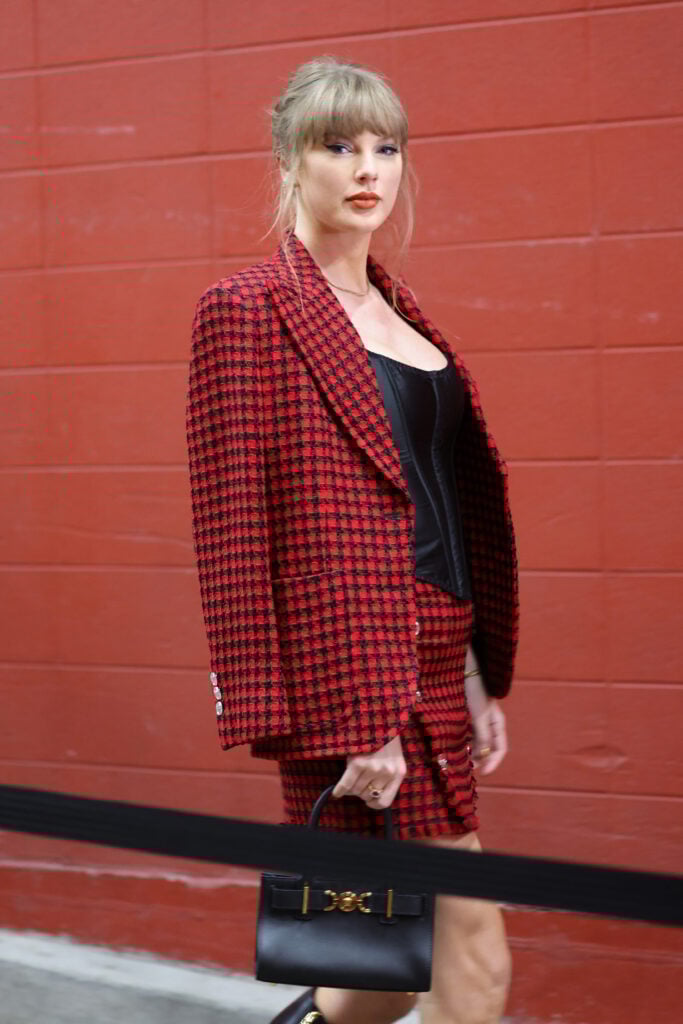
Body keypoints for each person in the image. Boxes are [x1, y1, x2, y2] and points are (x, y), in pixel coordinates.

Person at [186, 56, 519, 1024]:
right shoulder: (247, 310)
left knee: (377, 968)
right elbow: (231, 528)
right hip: (352, 675)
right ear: (290, 161)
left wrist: (468, 668)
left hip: (433, 651)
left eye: (385, 147)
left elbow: (435, 510)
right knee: (466, 951)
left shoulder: (407, 318)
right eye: (337, 146)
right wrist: (341, 717)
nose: (366, 168)